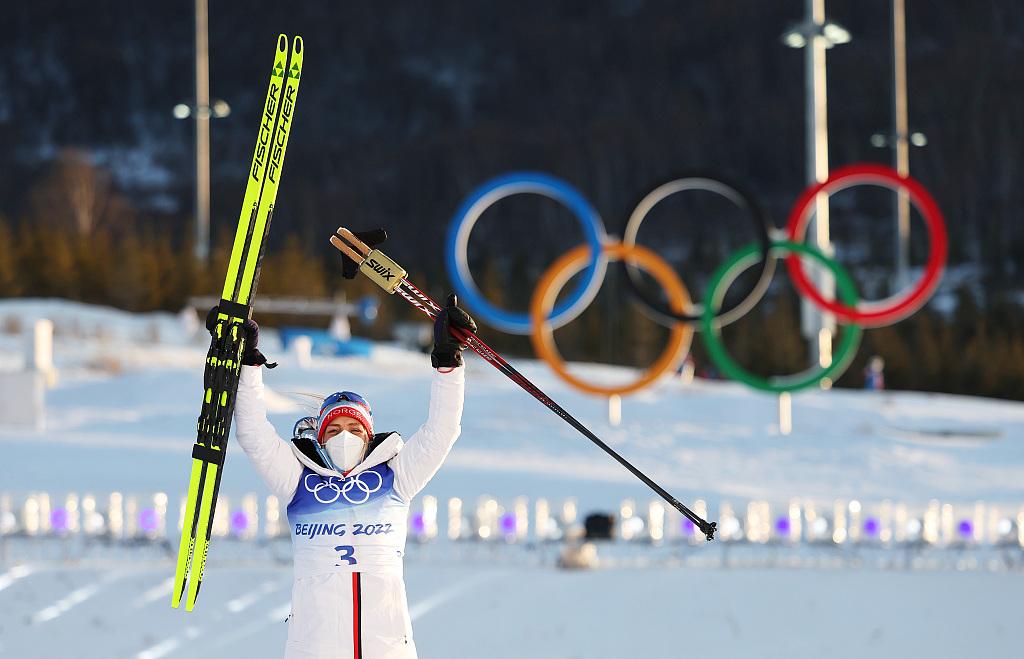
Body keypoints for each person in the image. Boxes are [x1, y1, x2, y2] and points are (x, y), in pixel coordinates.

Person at [217, 293, 476, 659]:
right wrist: (248, 368)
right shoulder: (297, 481)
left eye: (354, 429)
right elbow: (254, 436)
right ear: (320, 437)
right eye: (334, 428)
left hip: (387, 649)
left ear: (369, 437)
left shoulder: (397, 476)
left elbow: (442, 430)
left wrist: (448, 363)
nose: (344, 436)